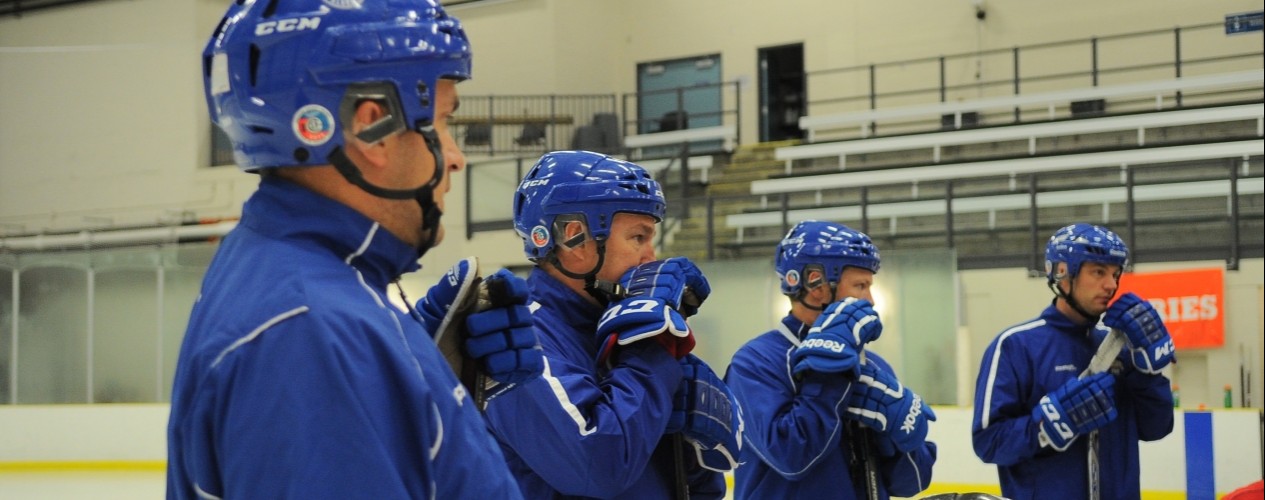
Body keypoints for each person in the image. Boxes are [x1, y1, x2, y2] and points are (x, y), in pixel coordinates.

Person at [167, 1, 540, 498]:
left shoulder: (288, 273)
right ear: (371, 128)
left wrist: (413, 379)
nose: (456, 159)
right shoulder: (310, 335)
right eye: (445, 122)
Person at [480, 150, 741, 499]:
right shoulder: (516, 336)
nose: (651, 257)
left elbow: (697, 485)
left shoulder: (624, 328)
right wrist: (654, 345)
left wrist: (692, 454)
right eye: (638, 238)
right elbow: (599, 466)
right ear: (575, 237)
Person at [725, 220, 937, 499]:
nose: (870, 299)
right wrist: (828, 374)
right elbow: (792, 459)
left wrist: (901, 437)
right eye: (860, 285)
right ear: (816, 285)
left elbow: (910, 484)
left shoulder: (873, 365)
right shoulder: (754, 363)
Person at [972, 223, 1175, 499]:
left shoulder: (1119, 348)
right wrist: (1048, 425)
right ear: (1063, 273)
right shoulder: (1015, 346)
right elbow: (988, 443)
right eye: (1099, 272)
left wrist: (1148, 375)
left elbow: (1156, 429)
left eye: (1116, 274)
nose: (1111, 285)